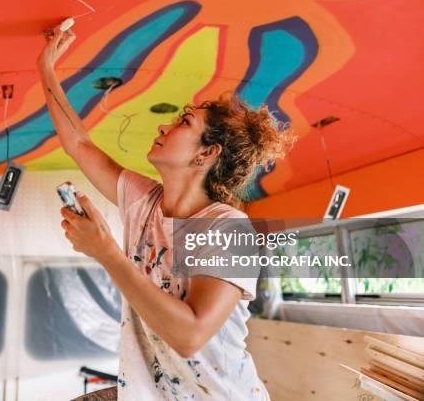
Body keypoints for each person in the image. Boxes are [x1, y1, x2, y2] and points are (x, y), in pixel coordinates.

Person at [37, 24, 294, 400]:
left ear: (206, 154)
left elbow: (190, 336)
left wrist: (106, 251)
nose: (164, 125)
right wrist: (46, 67)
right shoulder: (145, 202)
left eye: (183, 123)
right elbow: (79, 143)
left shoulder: (228, 229)